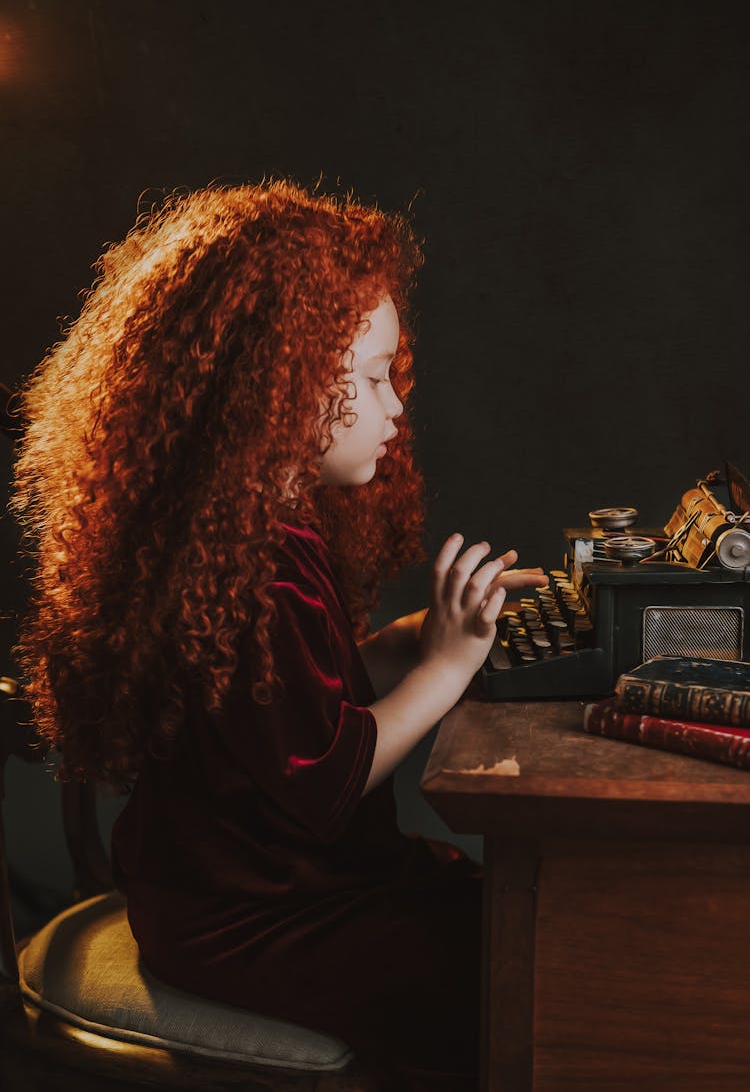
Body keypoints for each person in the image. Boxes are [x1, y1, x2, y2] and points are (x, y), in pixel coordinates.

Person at [9, 179, 547, 1090]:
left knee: (499, 915)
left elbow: (288, 709)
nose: (396, 408)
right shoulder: (254, 558)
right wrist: (450, 665)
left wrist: (417, 634)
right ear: (280, 385)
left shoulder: (251, 527)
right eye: (374, 377)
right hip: (249, 924)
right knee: (514, 968)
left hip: (233, 892)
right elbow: (327, 779)